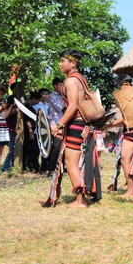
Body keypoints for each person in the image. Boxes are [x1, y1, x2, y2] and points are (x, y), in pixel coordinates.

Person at [45, 49, 102, 208]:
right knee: (72, 162)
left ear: (73, 63)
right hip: (81, 124)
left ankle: (81, 200)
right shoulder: (80, 79)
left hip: (76, 124)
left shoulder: (70, 81)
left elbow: (72, 107)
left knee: (70, 163)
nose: (60, 64)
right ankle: (81, 197)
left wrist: (58, 125)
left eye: (63, 61)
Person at [0, 83, 14, 177]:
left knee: (0, 151)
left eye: (1, 90)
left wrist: (10, 107)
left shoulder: (2, 103)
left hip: (2, 128)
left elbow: (5, 116)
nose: (0, 92)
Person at [45, 78, 65, 175]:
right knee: (56, 146)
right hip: (55, 124)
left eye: (63, 85)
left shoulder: (62, 96)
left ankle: (59, 167)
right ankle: (51, 168)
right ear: (55, 86)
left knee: (61, 146)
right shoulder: (52, 96)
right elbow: (60, 108)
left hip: (62, 123)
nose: (62, 87)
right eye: (60, 85)